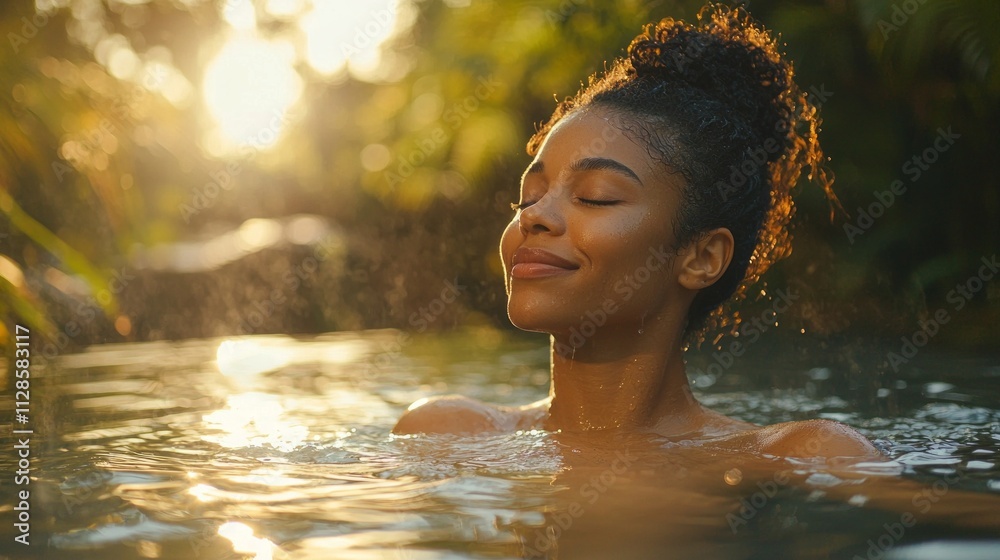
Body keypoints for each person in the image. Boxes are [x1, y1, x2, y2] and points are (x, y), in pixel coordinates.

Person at [394, 3, 878, 458]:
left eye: (595, 197)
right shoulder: (445, 434)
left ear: (703, 258)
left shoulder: (799, 454)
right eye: (529, 196)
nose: (533, 216)